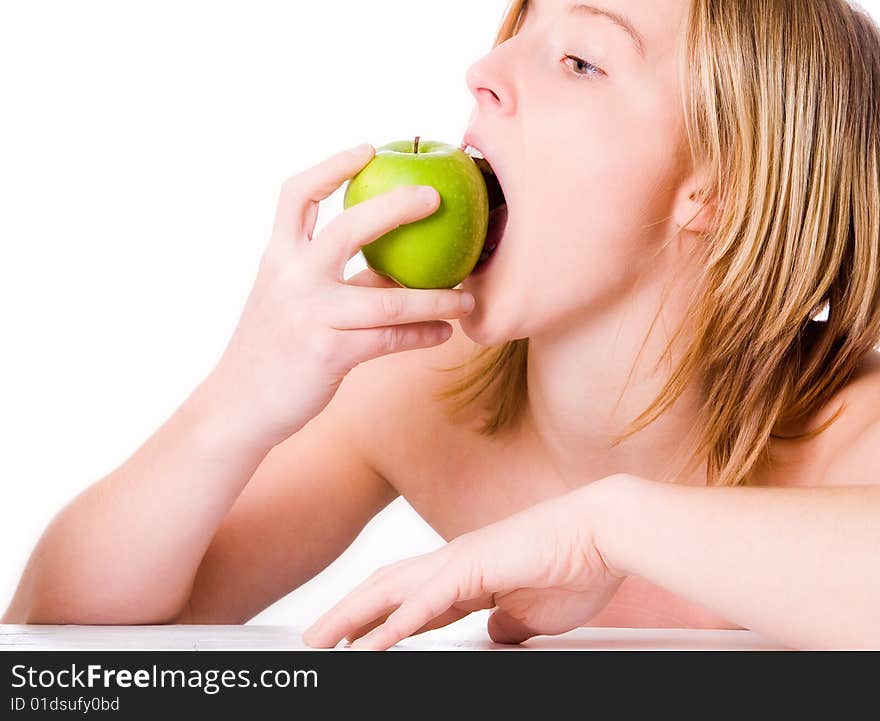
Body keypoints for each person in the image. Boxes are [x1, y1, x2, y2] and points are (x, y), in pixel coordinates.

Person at [5, 0, 880, 651]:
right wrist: (238, 400)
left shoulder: (851, 429)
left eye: (580, 61)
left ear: (719, 190)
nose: (483, 72)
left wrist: (603, 525)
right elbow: (56, 633)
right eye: (519, 33)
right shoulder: (417, 392)